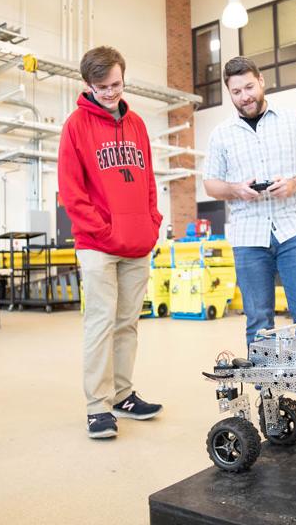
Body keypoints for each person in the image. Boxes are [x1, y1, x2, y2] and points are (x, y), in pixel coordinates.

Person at [203, 56, 296, 418]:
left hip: (294, 230)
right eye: (236, 91)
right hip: (248, 235)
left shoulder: (294, 121)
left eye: (249, 87)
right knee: (258, 319)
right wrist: (234, 189)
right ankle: (270, 396)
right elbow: (210, 183)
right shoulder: (221, 134)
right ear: (229, 93)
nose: (244, 96)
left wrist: (294, 184)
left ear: (261, 81)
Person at [58, 45, 164, 439]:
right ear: (88, 85)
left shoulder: (136, 124)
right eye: (102, 86)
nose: (111, 92)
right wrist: (103, 230)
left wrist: (152, 223)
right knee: (100, 324)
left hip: (138, 242)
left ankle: (123, 394)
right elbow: (70, 190)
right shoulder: (75, 126)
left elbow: (148, 179)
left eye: (116, 84)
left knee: (128, 324)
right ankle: (97, 407)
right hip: (98, 244)